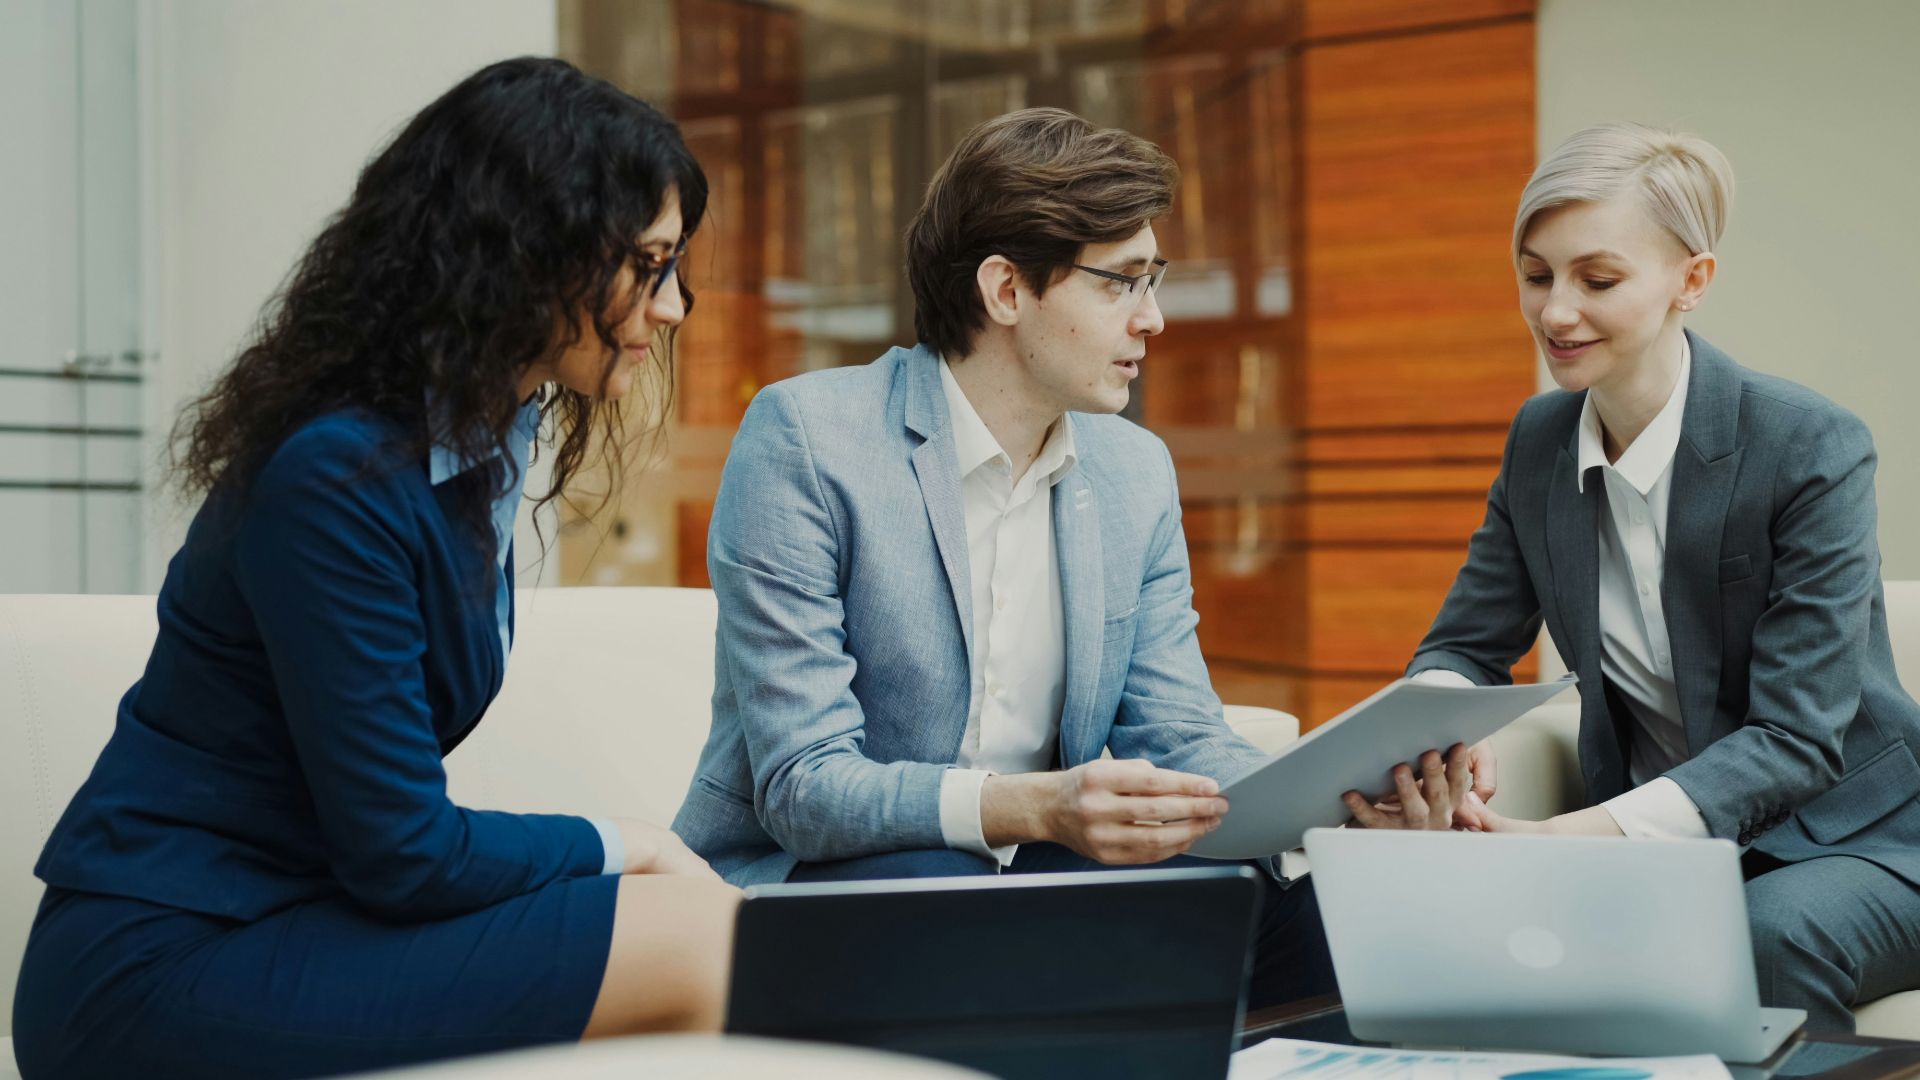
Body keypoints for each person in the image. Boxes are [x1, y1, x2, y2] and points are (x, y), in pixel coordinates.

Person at [11, 57, 738, 1080]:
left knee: (703, 929)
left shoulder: (472, 451)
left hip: (307, 924)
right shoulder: (336, 476)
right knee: (701, 936)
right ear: (534, 253)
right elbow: (405, 851)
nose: (672, 309)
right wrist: (627, 840)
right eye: (651, 263)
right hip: (158, 973)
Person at [671, 107, 1336, 1011]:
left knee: (1311, 910)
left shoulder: (1133, 470)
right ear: (1006, 290)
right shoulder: (808, 438)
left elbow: (1179, 735)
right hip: (841, 873)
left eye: (1156, 280)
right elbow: (806, 787)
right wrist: (1038, 806)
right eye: (1122, 284)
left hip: (1045, 871)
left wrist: (1336, 800)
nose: (1156, 320)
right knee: (937, 896)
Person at [1351, 122, 1920, 1032]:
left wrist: (1558, 844)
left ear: (1691, 282)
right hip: (1661, 844)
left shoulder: (1809, 445)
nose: (1555, 313)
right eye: (1537, 276)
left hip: (1861, 839)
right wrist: (1435, 741)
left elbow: (1798, 740)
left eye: (1598, 280)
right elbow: (1466, 644)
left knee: (1769, 934)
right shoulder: (1540, 441)